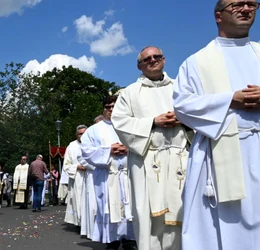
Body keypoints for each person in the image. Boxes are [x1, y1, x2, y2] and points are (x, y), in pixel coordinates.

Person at [173, 1, 260, 249]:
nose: (246, 9)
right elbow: (182, 105)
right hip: (221, 151)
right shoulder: (197, 62)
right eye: (237, 4)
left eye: (252, 3)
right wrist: (230, 99)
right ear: (218, 16)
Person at [111, 46, 192, 250]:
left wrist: (182, 119)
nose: (153, 60)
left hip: (180, 157)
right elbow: (119, 122)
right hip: (146, 160)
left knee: (184, 209)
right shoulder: (129, 92)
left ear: (164, 60)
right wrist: (154, 121)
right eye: (147, 59)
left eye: (157, 57)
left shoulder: (180, 87)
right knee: (146, 212)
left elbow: (198, 114)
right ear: (140, 65)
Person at [82, 96, 137, 250]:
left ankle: (129, 239)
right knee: (107, 206)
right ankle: (111, 240)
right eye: (108, 107)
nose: (111, 110)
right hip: (107, 176)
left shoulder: (129, 125)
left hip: (128, 174)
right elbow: (86, 151)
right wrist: (109, 150)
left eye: (114, 106)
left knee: (129, 205)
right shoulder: (94, 130)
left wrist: (128, 149)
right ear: (103, 109)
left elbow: (142, 142)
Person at [64, 125, 89, 226]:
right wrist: (77, 167)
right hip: (77, 177)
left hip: (91, 176)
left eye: (84, 133)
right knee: (79, 200)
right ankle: (80, 223)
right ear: (76, 135)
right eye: (80, 133)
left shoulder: (93, 144)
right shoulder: (71, 146)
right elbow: (66, 165)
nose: (82, 135)